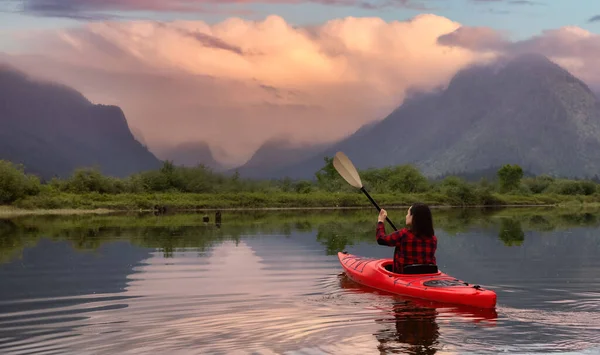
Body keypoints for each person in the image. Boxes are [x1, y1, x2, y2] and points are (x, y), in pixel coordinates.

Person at [376, 203, 437, 274]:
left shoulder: (403, 234)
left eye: (408, 213)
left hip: (405, 276)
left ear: (413, 217)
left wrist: (380, 221)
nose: (406, 216)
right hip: (426, 276)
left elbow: (381, 239)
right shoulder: (433, 239)